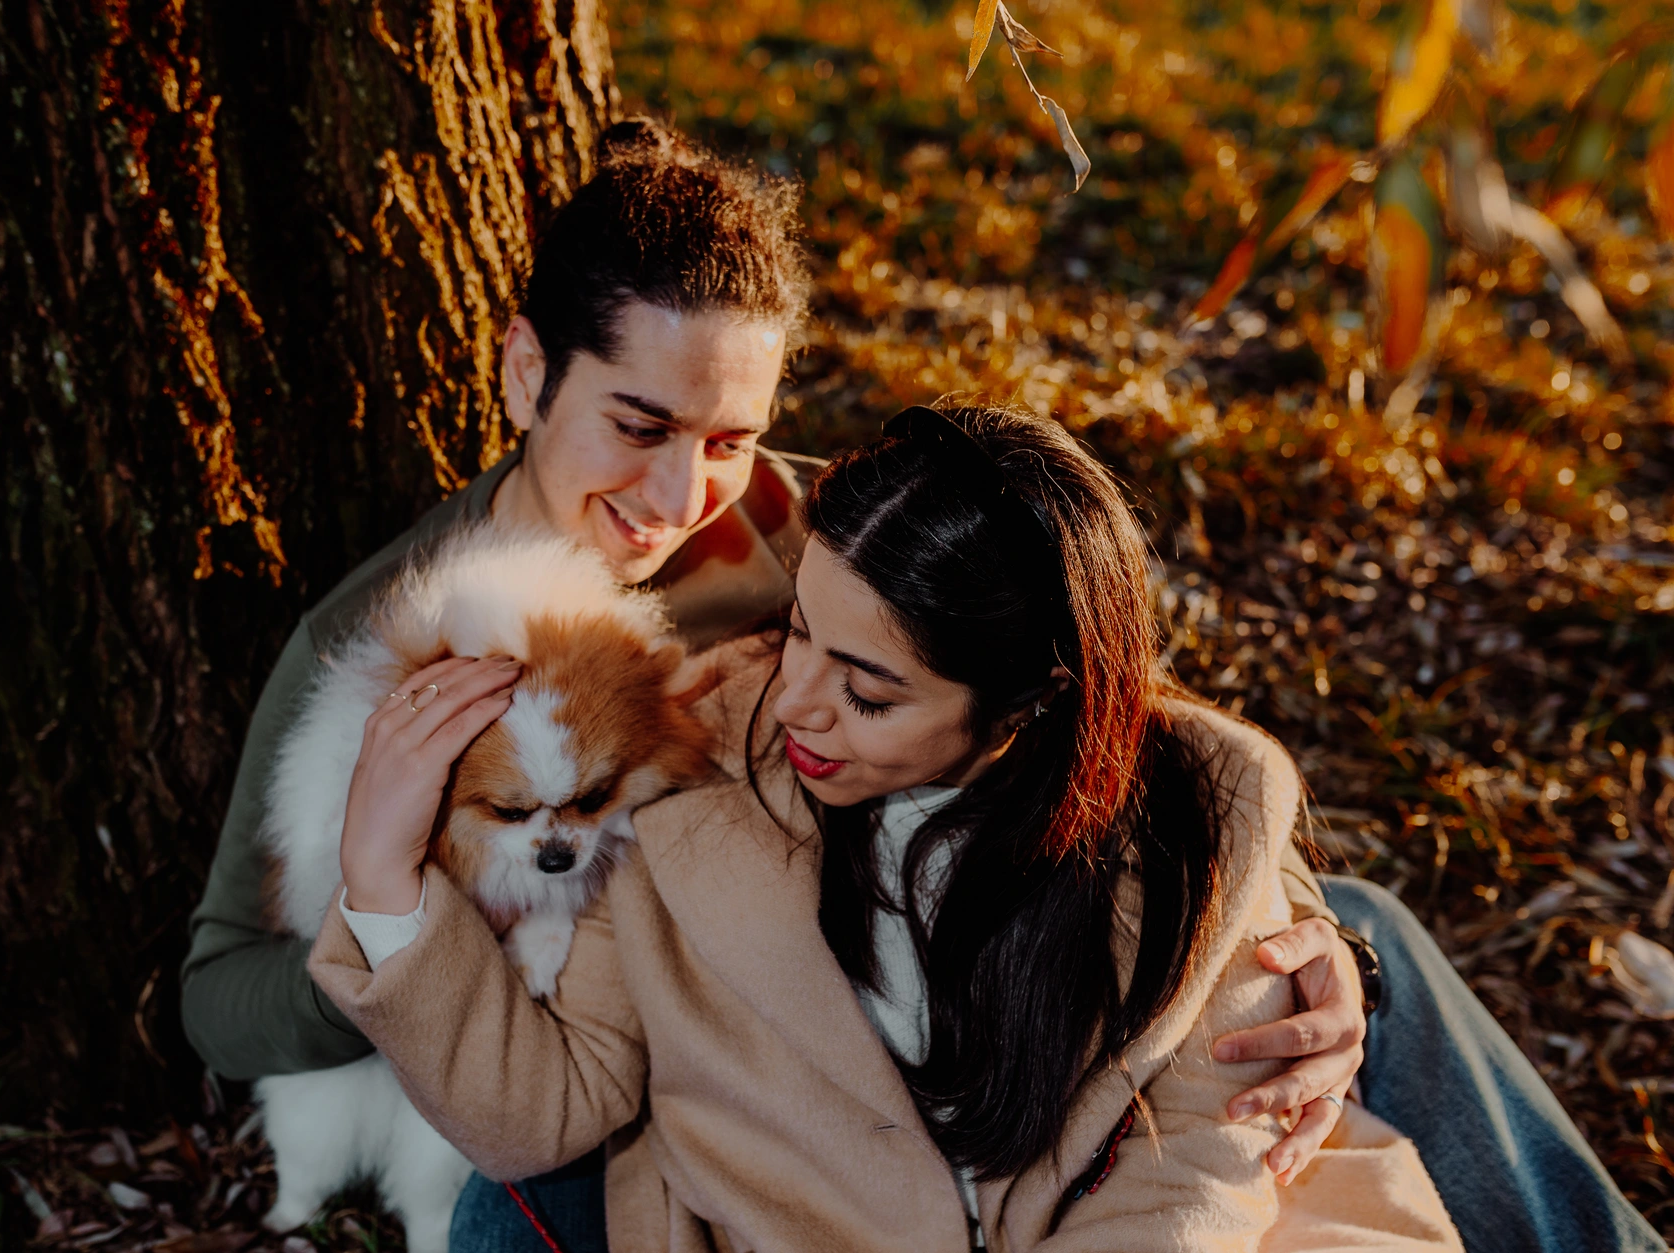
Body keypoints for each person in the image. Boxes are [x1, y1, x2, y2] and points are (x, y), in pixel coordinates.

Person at [179, 120, 1659, 1252]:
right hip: (646, 1041)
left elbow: (1079, 691)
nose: (681, 493)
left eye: (733, 435)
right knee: (526, 1191)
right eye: (636, 421)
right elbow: (220, 1001)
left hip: (942, 981)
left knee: (1358, 951)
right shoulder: (384, 650)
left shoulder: (812, 539)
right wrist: (447, 898)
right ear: (522, 372)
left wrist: (1307, 936)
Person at [314, 404, 1464, 1251]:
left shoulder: (1193, 821)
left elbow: (1201, 1161)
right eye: (799, 629)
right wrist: (379, 870)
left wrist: (1326, 939)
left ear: (1028, 710)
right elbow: (539, 1104)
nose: (797, 702)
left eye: (869, 692)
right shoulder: (692, 770)